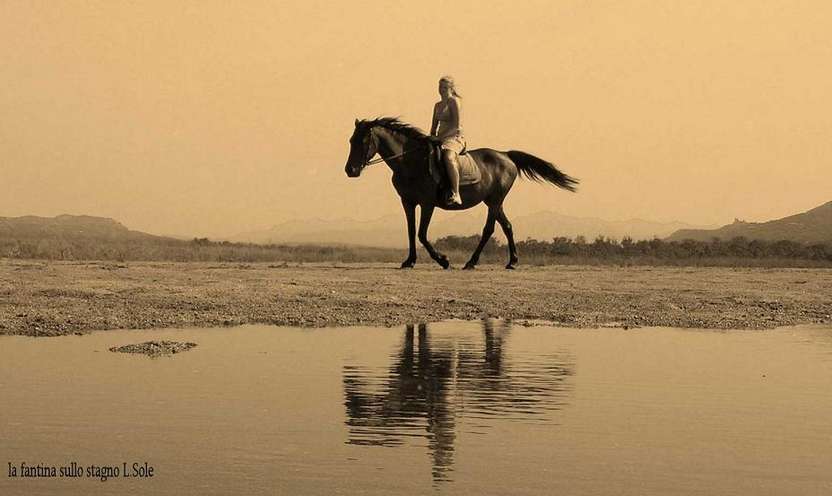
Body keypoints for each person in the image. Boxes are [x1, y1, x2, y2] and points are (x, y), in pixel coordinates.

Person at [430, 76, 465, 205]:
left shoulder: (453, 101)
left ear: (451, 88)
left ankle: (456, 193)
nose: (441, 90)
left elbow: (456, 126)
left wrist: (440, 137)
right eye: (440, 87)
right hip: (440, 139)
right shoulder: (437, 105)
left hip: (454, 137)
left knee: (448, 157)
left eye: (444, 87)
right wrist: (431, 137)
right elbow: (433, 127)